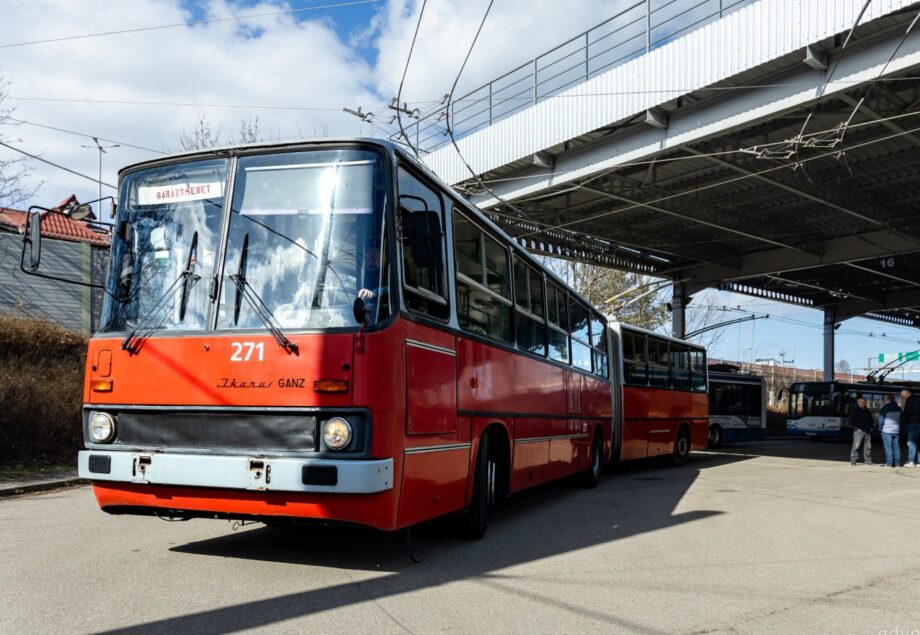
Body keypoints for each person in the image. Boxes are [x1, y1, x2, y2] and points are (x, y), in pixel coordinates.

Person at [849, 397, 873, 466]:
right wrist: (856, 429)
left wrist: (871, 427)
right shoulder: (855, 410)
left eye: (863, 402)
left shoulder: (867, 411)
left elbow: (870, 420)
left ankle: (868, 461)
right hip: (859, 431)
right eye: (860, 402)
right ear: (857, 403)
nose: (862, 403)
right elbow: (851, 421)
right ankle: (853, 460)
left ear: (865, 403)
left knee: (868, 447)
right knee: (856, 446)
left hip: (867, 431)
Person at [879, 394, 901, 468]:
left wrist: (880, 428)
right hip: (896, 430)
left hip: (887, 430)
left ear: (887, 399)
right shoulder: (898, 408)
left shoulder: (885, 408)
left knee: (888, 447)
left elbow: (881, 420)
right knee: (896, 447)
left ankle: (889, 463)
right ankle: (897, 464)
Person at [902, 388, 920, 467]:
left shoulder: (911, 401)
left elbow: (910, 412)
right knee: (918, 442)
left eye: (903, 396)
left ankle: (911, 461)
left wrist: (905, 416)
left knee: (911, 442)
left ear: (907, 394)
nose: (903, 398)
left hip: (913, 423)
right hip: (917, 423)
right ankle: (919, 462)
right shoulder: (917, 399)